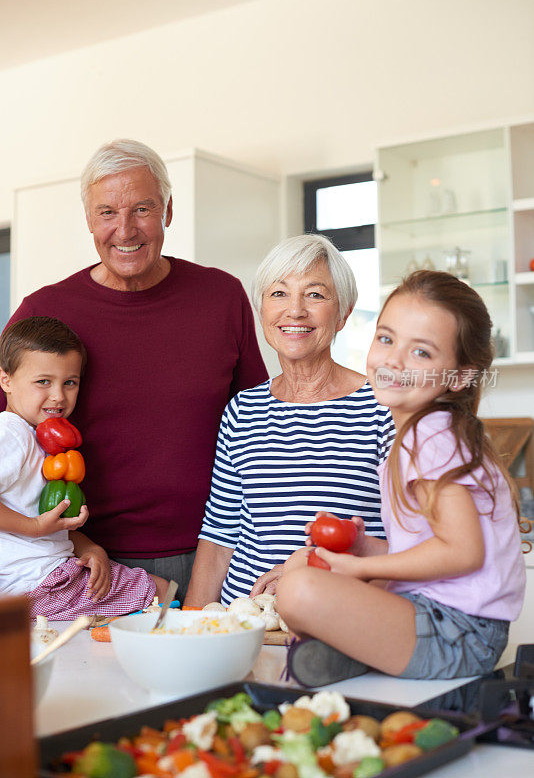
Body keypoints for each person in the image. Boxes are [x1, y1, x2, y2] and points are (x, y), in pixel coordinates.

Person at [3, 139, 267, 605]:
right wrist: (69, 542)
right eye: (106, 212)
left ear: (167, 210)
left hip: (216, 554)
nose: (124, 229)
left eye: (142, 208)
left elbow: (260, 429)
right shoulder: (43, 312)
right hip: (84, 564)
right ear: (88, 219)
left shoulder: (221, 297)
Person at [276, 270, 526, 684]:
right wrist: (364, 549)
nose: (393, 361)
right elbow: (430, 547)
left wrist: (359, 570)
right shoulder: (421, 432)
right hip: (444, 620)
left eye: (422, 353)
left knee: (300, 588)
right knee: (304, 564)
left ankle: (358, 654)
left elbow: (463, 553)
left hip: (458, 633)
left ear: (460, 376)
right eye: (386, 339)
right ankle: (356, 656)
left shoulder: (431, 436)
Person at [184, 234, 394, 607]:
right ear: (261, 310)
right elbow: (219, 540)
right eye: (278, 294)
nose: (294, 310)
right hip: (243, 621)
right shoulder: (242, 411)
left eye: (315, 294)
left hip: (341, 621)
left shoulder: (383, 407)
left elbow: (414, 544)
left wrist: (309, 566)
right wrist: (194, 628)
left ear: (344, 313)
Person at [0, 316, 168, 619]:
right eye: (43, 382)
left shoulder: (41, 437)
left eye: (70, 383)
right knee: (162, 593)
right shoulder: (10, 432)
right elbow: (37, 527)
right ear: (6, 380)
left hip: (48, 577)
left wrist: (91, 548)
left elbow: (46, 525)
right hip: (38, 585)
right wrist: (35, 528)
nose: (58, 396)